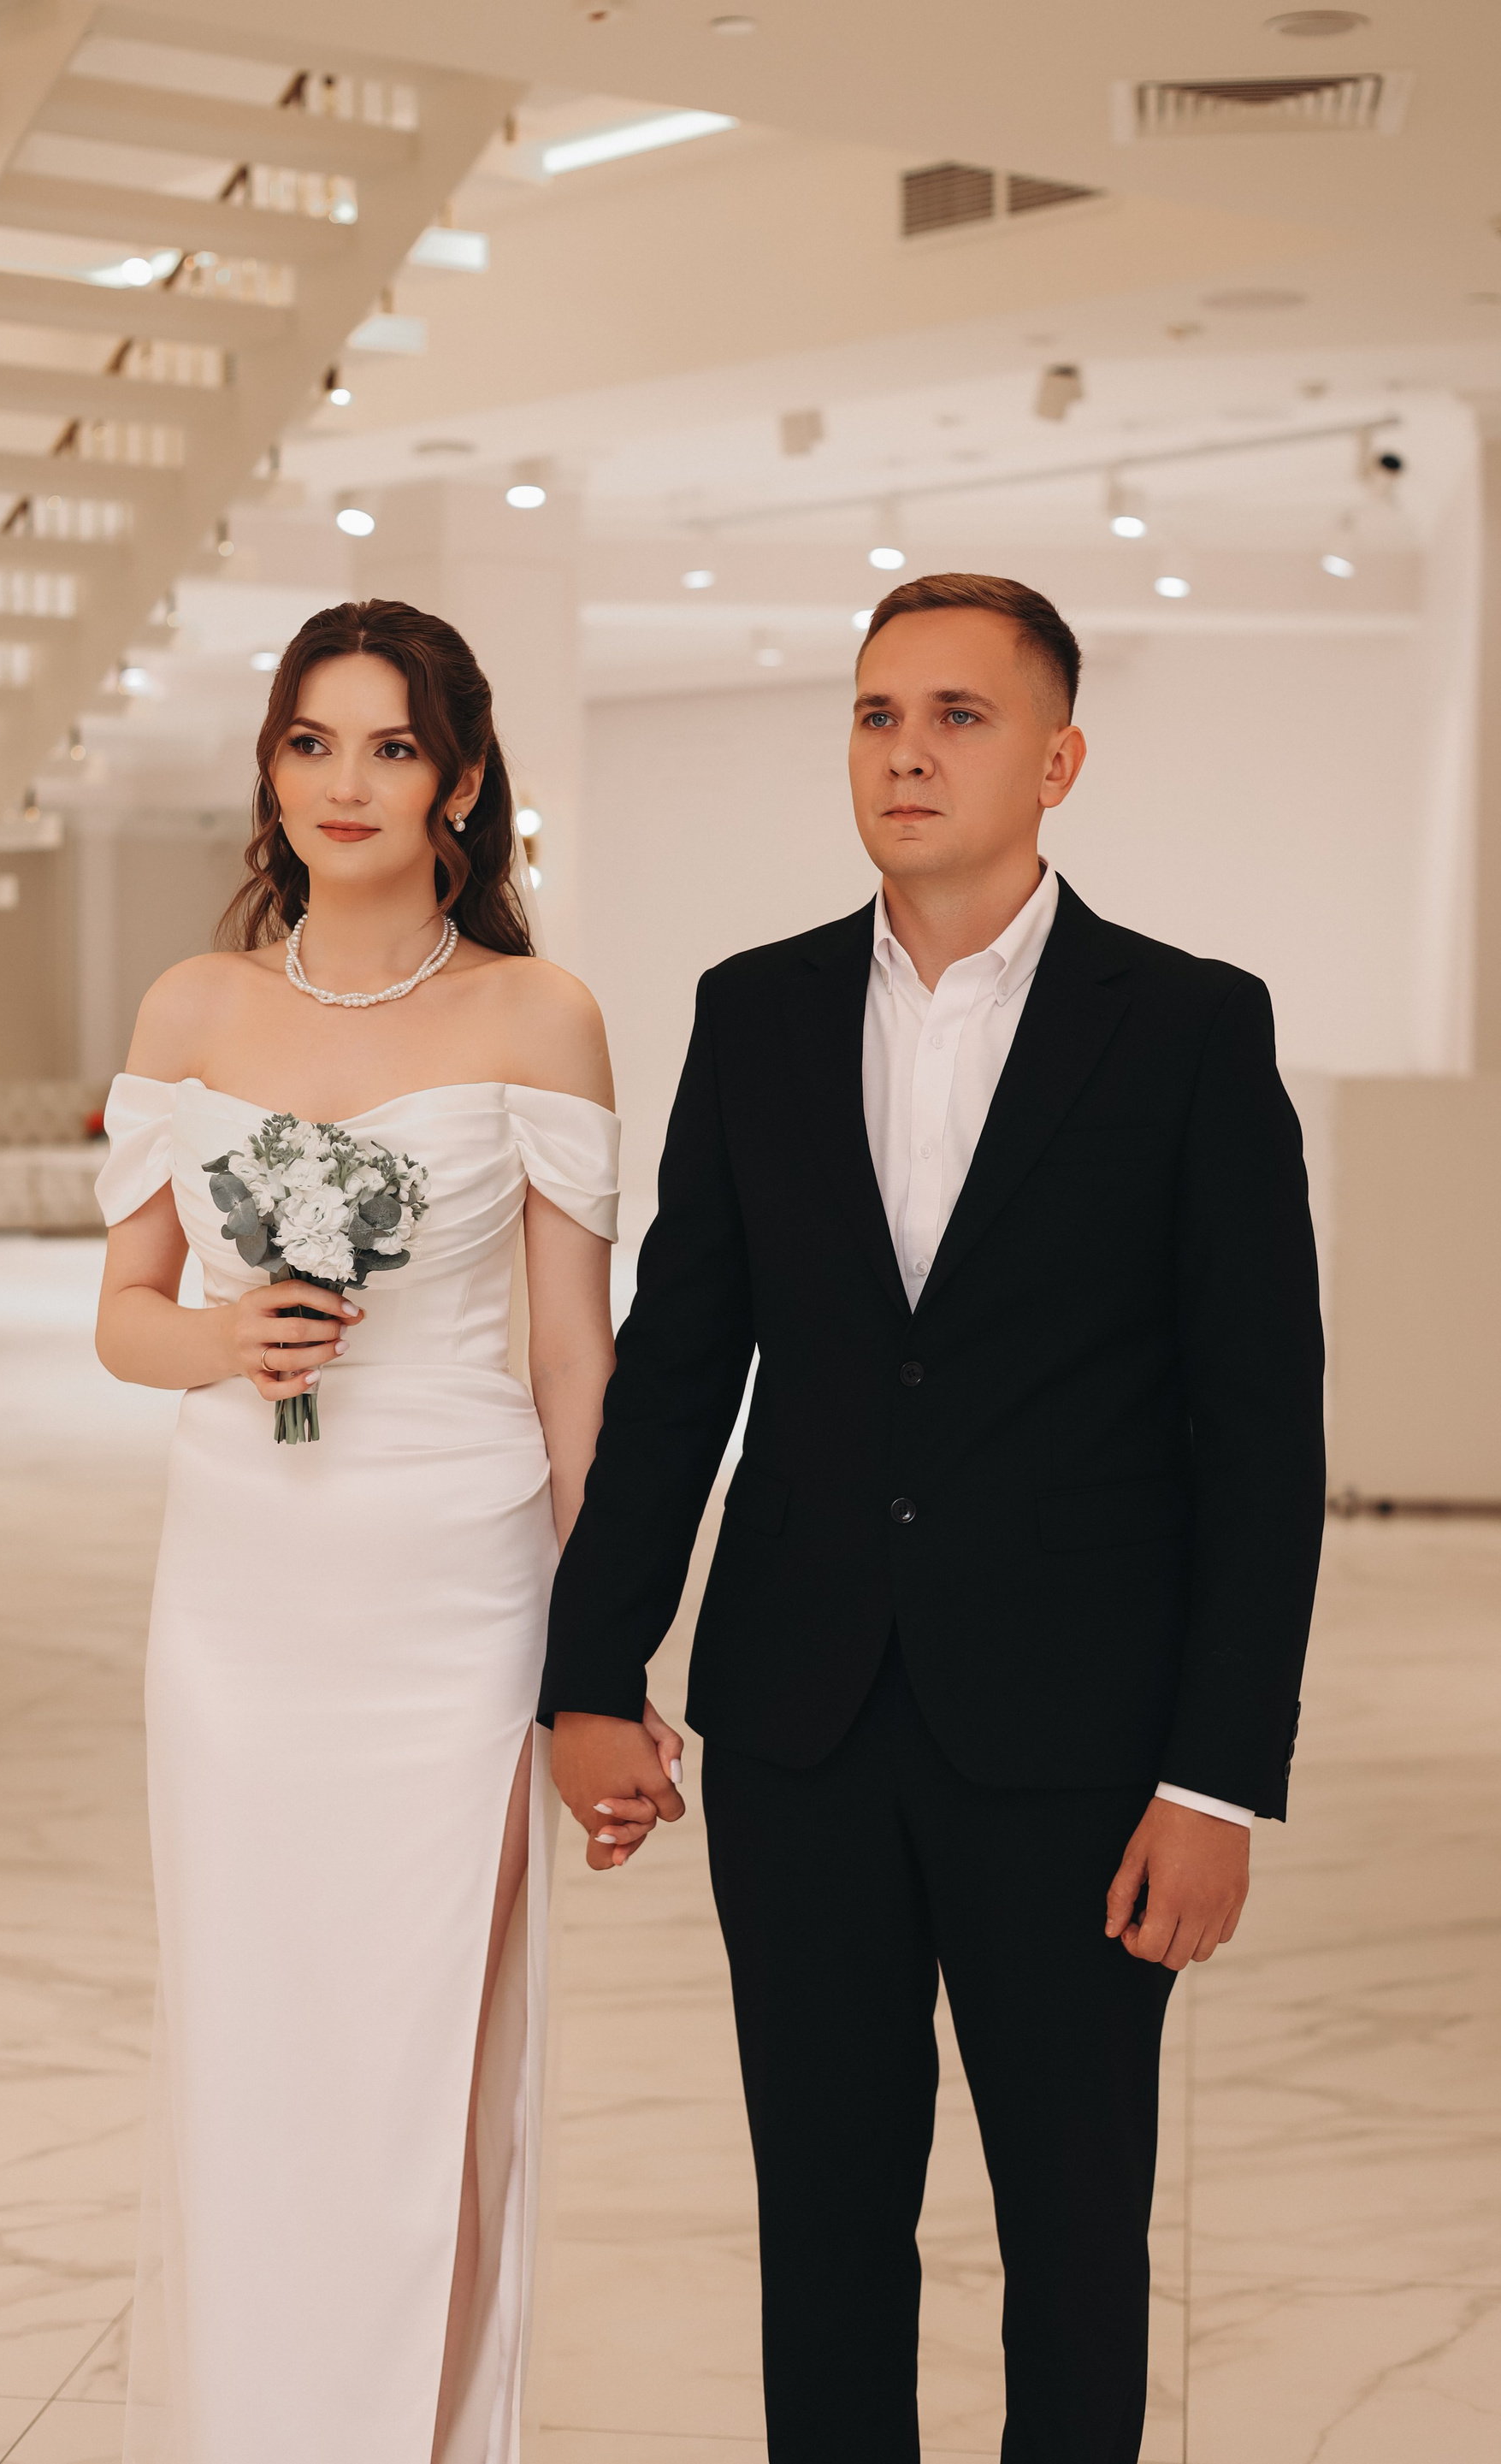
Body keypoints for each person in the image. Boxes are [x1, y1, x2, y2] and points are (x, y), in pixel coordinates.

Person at [539, 572, 1326, 2462]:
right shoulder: (757, 1011)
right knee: (823, 2227)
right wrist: (592, 1668)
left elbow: (1262, 1432)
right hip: (799, 1727)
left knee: (1074, 2232)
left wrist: (1217, 1782)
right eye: (878, 712)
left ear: (1058, 759)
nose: (907, 751)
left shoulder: (1191, 1027)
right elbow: (680, 1367)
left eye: (960, 715)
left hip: (1081, 1748)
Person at [93, 599, 676, 2464]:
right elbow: (125, 1315)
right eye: (311, 741)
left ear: (462, 780)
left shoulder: (538, 1014)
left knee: (428, 2056)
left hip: (454, 1584)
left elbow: (576, 1362)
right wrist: (223, 1339)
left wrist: (607, 1656)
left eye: (393, 745)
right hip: (241, 1593)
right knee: (252, 2040)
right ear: (271, 770)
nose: (347, 782)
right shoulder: (192, 1007)